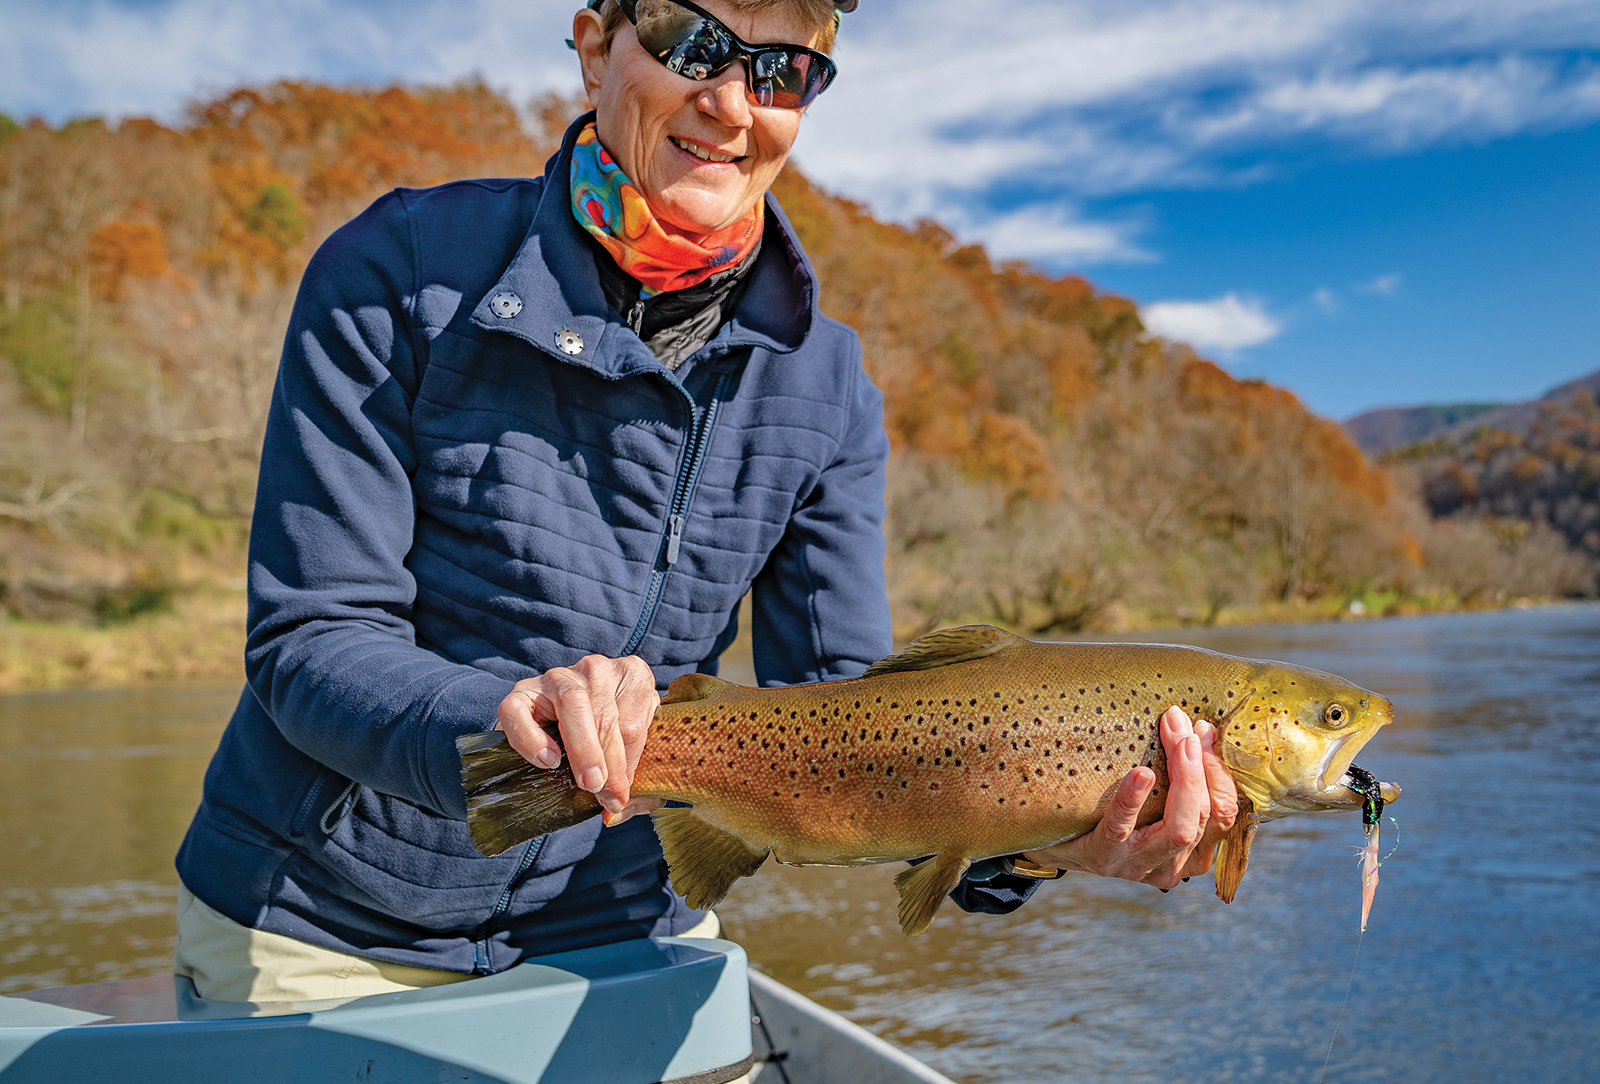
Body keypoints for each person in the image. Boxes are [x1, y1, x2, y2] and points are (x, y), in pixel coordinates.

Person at [173, 0, 1236, 1005]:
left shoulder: (827, 385)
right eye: (692, 42)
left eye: (782, 69)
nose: (731, 102)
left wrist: (1042, 842)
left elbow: (856, 719)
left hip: (630, 928)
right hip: (320, 925)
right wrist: (497, 723)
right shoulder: (396, 272)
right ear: (596, 48)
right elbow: (311, 639)